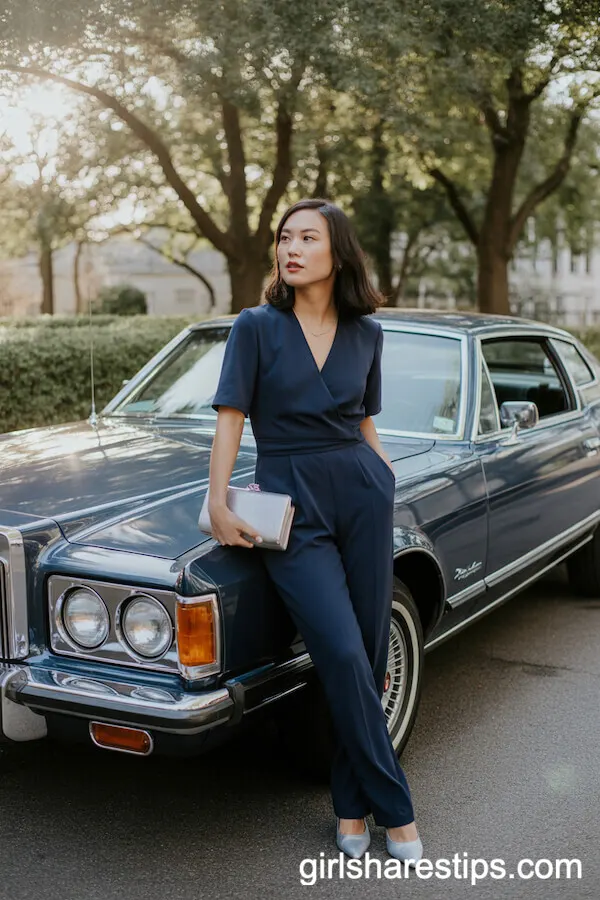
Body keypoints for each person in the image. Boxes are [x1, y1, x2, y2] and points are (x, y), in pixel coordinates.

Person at [208, 198, 423, 864]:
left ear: (338, 253)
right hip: (290, 502)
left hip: (362, 494)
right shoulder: (257, 327)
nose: (290, 247)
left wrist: (384, 474)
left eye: (308, 236)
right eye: (284, 237)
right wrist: (219, 500)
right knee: (341, 654)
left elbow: (363, 419)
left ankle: (350, 805)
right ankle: (398, 809)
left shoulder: (367, 333)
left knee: (363, 651)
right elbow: (231, 417)